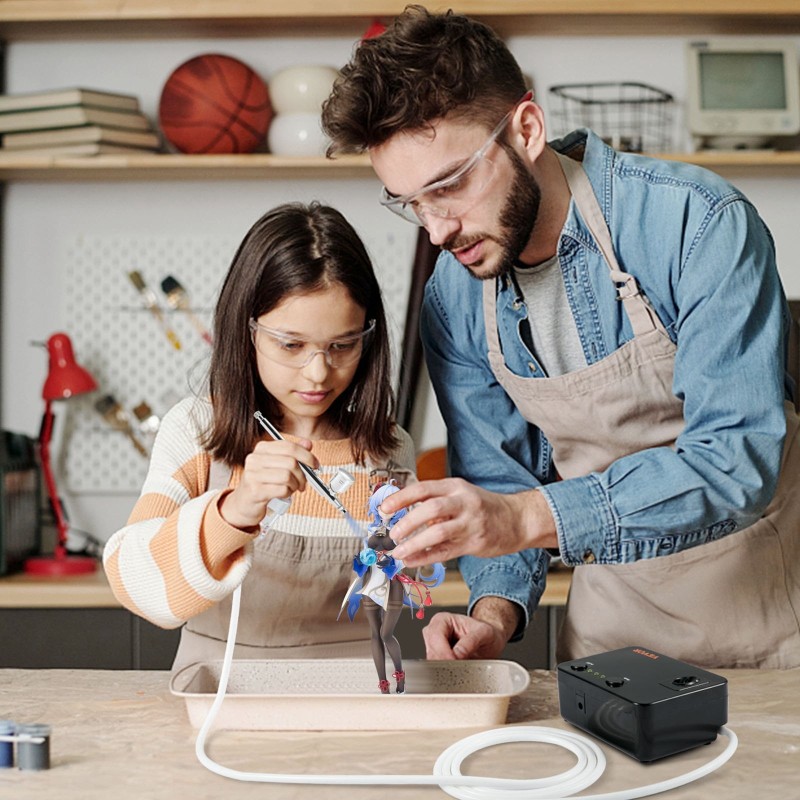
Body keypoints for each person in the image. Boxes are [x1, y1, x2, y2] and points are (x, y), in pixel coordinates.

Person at [320, 5, 800, 668]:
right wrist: (492, 614)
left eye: (450, 186)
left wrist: (522, 519)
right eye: (410, 203)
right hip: (617, 627)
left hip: (775, 608)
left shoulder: (695, 223)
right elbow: (498, 475)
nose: (435, 231)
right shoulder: (454, 296)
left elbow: (734, 461)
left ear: (526, 128)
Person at [103, 202, 417, 673]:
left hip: (357, 705)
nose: (318, 373)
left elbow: (396, 591)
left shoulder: (390, 450)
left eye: (343, 345)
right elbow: (133, 582)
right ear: (246, 328)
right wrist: (234, 509)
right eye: (291, 344)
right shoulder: (196, 432)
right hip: (219, 706)